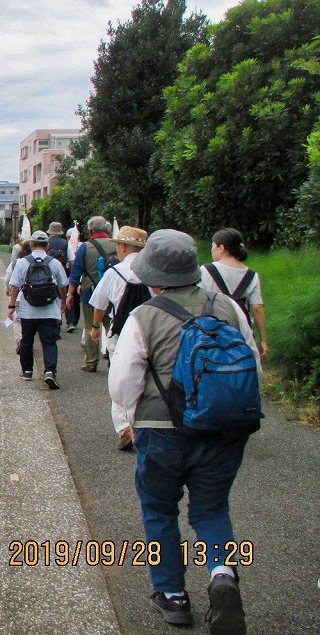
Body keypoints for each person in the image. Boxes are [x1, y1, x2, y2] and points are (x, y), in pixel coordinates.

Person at [108, 229, 260, 633]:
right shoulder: (228, 308)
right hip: (225, 432)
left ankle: (172, 594)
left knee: (159, 509)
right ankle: (222, 574)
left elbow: (121, 387)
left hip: (162, 431)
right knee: (211, 509)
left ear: (152, 275)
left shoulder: (144, 317)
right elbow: (254, 375)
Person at [88, 226, 148, 450]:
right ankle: (145, 426)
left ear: (122, 247)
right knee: (149, 379)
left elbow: (99, 304)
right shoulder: (154, 272)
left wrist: (95, 327)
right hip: (151, 333)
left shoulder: (115, 272)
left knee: (119, 380)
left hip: (122, 333)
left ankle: (124, 428)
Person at [8, 230, 69, 390]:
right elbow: (63, 286)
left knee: (27, 341)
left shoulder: (22, 262)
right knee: (49, 342)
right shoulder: (54, 263)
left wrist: (11, 305)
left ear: (31, 244)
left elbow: (14, 286)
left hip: (28, 311)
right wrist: (63, 301)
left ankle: (27, 371)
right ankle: (49, 372)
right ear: (47, 246)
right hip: (50, 310)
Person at [200, 228, 269, 361]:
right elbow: (257, 309)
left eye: (212, 246)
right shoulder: (252, 275)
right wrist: (264, 340)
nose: (211, 249)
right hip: (243, 331)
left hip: (212, 330)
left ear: (221, 248)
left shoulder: (205, 270)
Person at [66, 216, 116, 371]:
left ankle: (91, 362)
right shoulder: (117, 245)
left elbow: (76, 273)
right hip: (113, 291)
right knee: (111, 325)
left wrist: (70, 294)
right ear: (107, 229)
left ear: (90, 230)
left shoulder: (85, 247)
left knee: (90, 326)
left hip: (90, 291)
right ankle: (112, 357)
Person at [64, 223, 82, 332]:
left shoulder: (66, 246)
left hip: (70, 276)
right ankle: (74, 321)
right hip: (80, 277)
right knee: (76, 300)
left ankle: (70, 321)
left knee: (69, 297)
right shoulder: (84, 246)